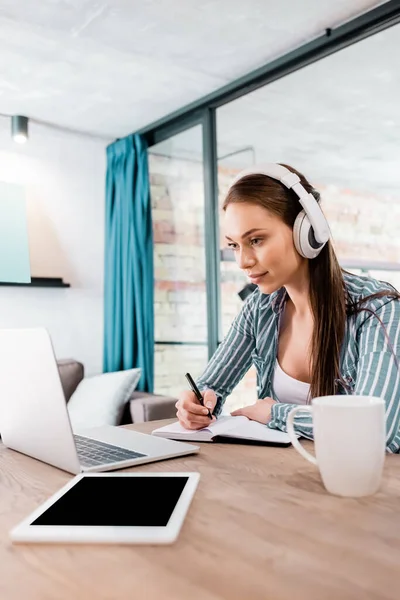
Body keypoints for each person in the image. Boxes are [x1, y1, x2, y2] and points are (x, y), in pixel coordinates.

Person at [175, 163, 400, 452]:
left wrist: (275, 413)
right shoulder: (260, 308)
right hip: (282, 479)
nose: (242, 261)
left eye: (256, 240)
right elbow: (210, 389)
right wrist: (194, 406)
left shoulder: (377, 309)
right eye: (234, 245)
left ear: (308, 232)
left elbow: (376, 428)